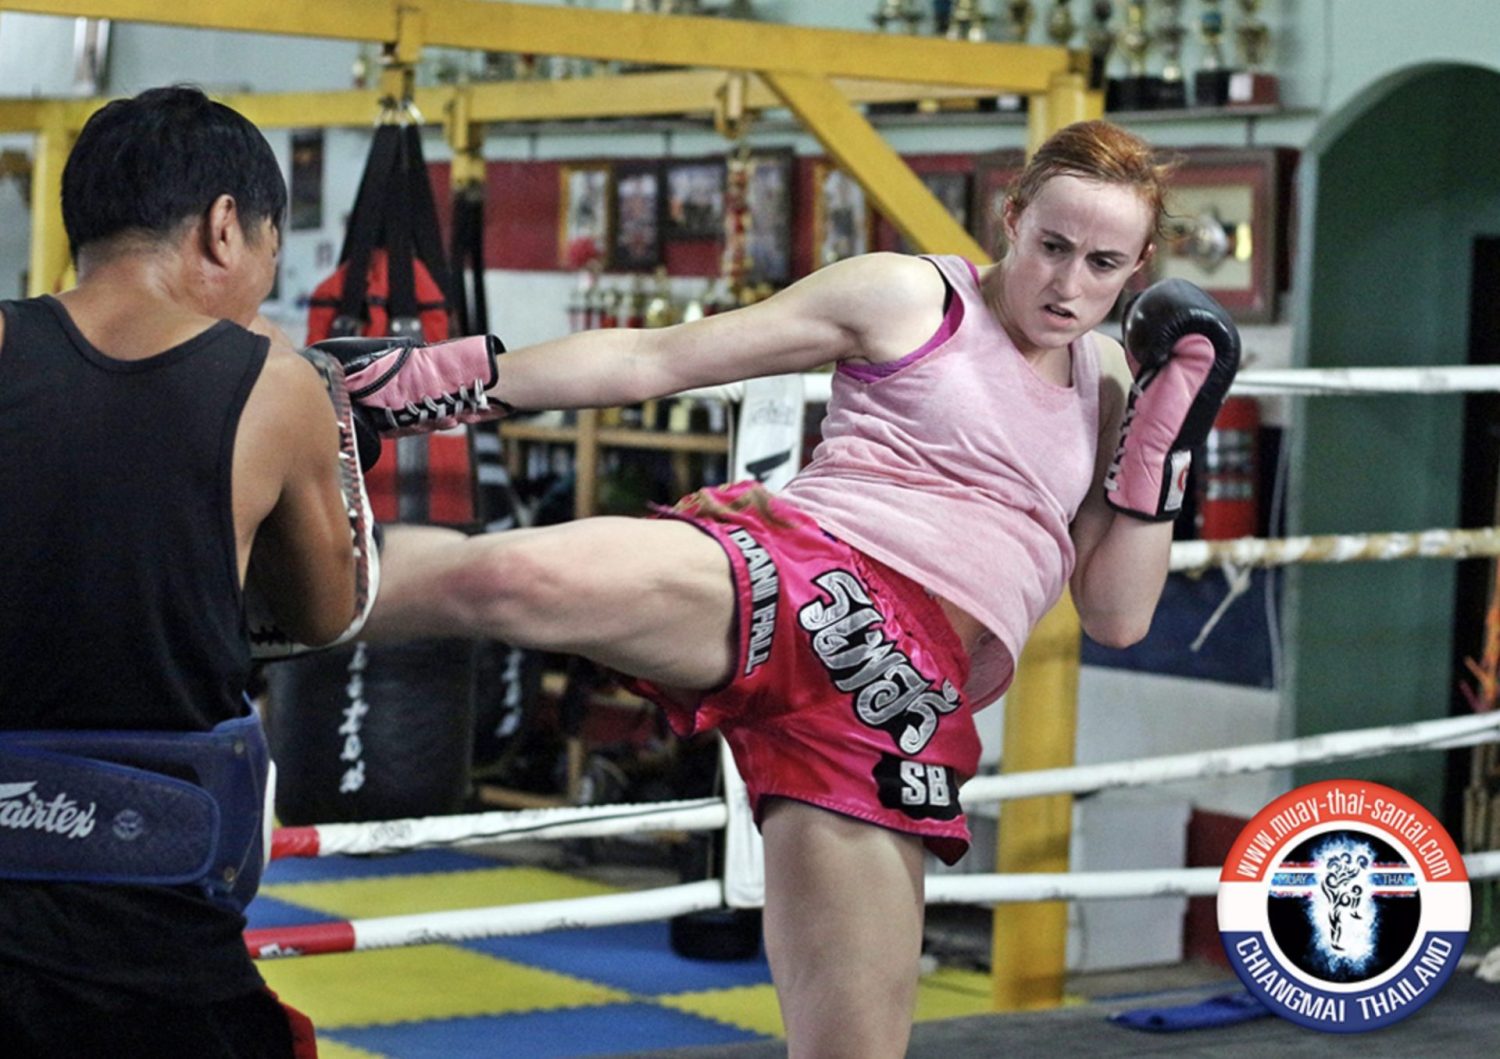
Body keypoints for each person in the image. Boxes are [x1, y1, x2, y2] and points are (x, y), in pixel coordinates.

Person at [337, 119, 1240, 1058]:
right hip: (799, 573)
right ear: (1011, 217)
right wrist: (423, 385)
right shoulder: (911, 294)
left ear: (1135, 269)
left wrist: (1163, 450)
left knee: (853, 1045)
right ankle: (243, 588)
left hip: (892, 694)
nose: (1067, 283)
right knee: (512, 574)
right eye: (1052, 247)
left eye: (1102, 263)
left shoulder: (1106, 387)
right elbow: (661, 359)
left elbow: (1118, 613)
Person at [0, 86, 370, 1056]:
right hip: (158, 923)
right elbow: (328, 615)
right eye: (265, 254)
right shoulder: (273, 383)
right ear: (222, 229)